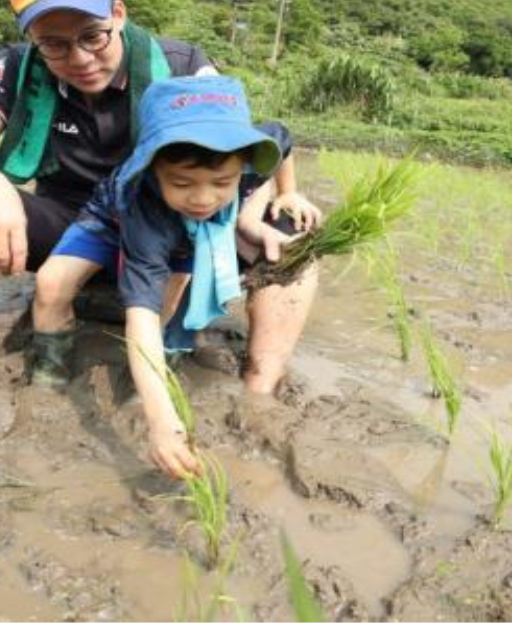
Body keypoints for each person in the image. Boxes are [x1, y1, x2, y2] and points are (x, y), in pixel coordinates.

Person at [0, 0, 219, 401]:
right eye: (55, 44)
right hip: (70, 232)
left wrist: (272, 201)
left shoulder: (182, 66)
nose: (80, 58)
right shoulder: (16, 66)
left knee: (289, 229)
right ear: (32, 36)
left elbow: (235, 150)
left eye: (94, 35)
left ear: (119, 14)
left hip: (160, 231)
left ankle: (262, 389)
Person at [33, 75, 321, 478]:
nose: (203, 198)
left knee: (171, 296)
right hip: (109, 218)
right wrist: (162, 421)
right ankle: (48, 372)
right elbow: (140, 317)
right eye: (182, 182)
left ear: (243, 163)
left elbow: (283, 139)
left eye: (221, 183)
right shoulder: (145, 207)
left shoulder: (250, 152)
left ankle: (149, 379)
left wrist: (288, 192)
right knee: (50, 285)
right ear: (152, 168)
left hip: (181, 232)